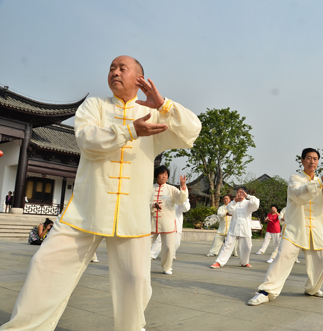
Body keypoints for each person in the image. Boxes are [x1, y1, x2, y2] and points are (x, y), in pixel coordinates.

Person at [0, 55, 201, 331]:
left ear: (139, 78)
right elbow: (86, 140)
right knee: (45, 264)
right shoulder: (94, 106)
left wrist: (163, 104)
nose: (114, 72)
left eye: (122, 68)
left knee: (136, 281)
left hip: (131, 215)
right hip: (87, 208)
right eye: (111, 68)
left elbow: (192, 131)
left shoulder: (154, 115)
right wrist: (131, 130)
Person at [248, 149, 323, 306]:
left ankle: (312, 289)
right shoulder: (295, 178)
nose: (312, 161)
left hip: (316, 229)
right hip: (296, 228)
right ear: (302, 160)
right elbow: (299, 194)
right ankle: (266, 291)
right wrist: (320, 182)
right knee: (283, 257)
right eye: (309, 158)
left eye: (315, 159)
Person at [150, 165, 188, 275]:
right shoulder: (150, 188)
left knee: (168, 247)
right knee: (143, 245)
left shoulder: (171, 189)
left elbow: (181, 200)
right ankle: (140, 266)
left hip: (167, 223)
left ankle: (167, 267)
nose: (164, 176)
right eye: (162, 174)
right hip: (152, 222)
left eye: (166, 174)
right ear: (157, 175)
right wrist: (153, 204)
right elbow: (142, 202)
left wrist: (183, 186)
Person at [210, 187, 259, 268]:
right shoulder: (233, 203)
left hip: (245, 228)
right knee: (227, 245)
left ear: (245, 193)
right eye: (238, 192)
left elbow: (256, 204)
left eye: (241, 192)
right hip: (234, 228)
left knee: (247, 247)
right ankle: (219, 262)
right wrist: (235, 201)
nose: (239, 193)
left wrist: (248, 196)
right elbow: (229, 210)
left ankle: (244, 262)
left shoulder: (249, 203)